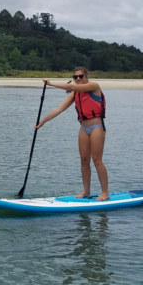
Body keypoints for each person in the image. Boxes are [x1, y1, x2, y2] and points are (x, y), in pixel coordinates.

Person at [35, 67, 110, 201]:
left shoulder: (94, 86)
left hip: (96, 127)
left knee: (97, 160)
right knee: (84, 160)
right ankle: (86, 191)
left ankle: (105, 192)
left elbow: (74, 88)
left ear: (86, 77)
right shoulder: (74, 93)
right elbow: (59, 108)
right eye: (75, 77)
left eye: (81, 76)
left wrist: (50, 83)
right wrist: (43, 122)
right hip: (83, 127)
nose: (78, 79)